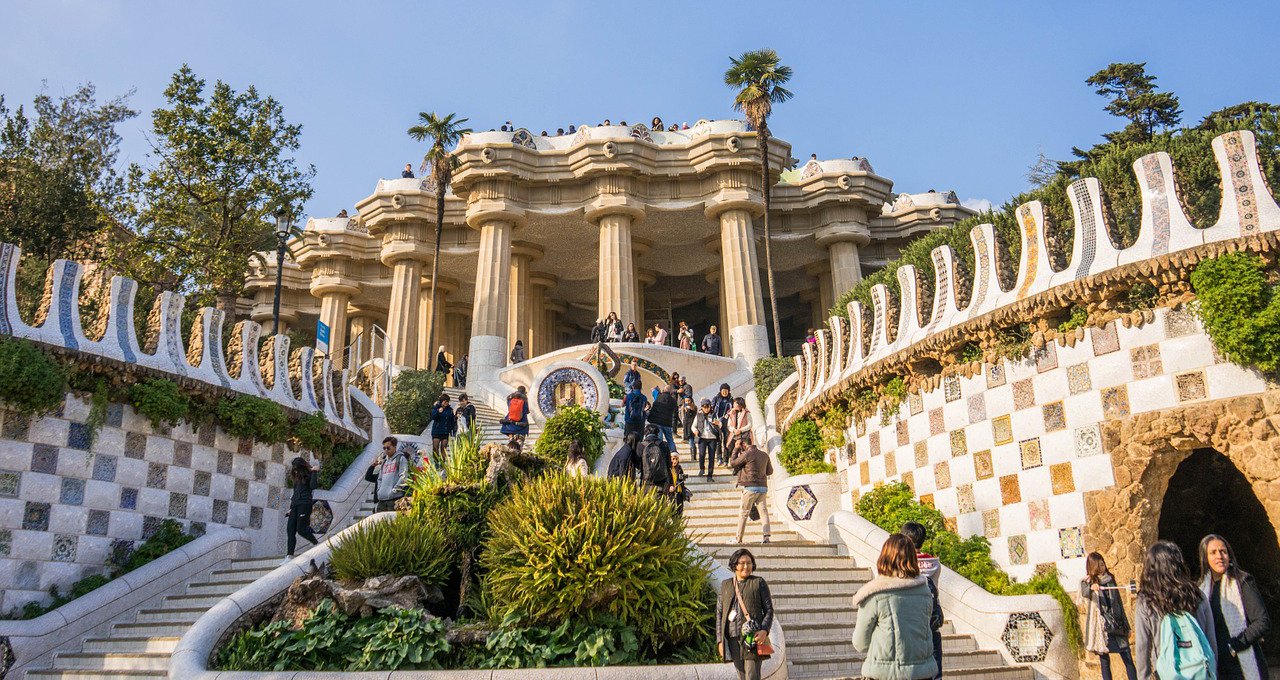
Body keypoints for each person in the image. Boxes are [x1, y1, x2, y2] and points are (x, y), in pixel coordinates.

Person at [852, 534, 939, 680]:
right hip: (922, 673)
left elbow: (860, 643)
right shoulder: (924, 591)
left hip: (885, 674)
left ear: (884, 557)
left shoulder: (875, 594)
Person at [1135, 540, 1218, 680]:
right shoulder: (1197, 595)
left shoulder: (1146, 601)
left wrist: (1144, 677)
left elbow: (1142, 648)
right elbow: (1210, 640)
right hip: (1200, 672)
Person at [1198, 534, 1270, 680]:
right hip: (1216, 667)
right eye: (1213, 552)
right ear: (1205, 558)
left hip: (1242, 666)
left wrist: (1235, 645)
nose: (1219, 556)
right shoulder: (1201, 589)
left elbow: (1262, 622)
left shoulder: (1242, 582)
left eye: (1223, 551)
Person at [716, 548, 774, 680]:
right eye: (742, 563)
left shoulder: (758, 582)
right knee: (741, 676)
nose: (746, 566)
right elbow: (719, 614)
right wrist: (720, 640)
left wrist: (764, 630)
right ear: (734, 565)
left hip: (752, 637)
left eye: (749, 563)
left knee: (751, 676)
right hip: (732, 638)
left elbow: (769, 610)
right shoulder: (725, 585)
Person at [1082, 552, 1137, 680]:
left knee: (1127, 655)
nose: (1102, 568)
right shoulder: (1087, 582)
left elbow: (1119, 604)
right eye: (1099, 566)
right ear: (1092, 567)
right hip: (1102, 627)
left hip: (1117, 623)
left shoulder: (1110, 579)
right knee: (1105, 661)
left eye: (1103, 565)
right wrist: (1092, 588)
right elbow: (1084, 592)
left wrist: (1127, 626)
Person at [901, 522, 944, 680]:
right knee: (936, 673)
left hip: (911, 625)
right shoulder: (935, 564)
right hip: (931, 622)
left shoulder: (903, 564)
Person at [729, 431, 771, 544]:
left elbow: (733, 463)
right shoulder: (764, 455)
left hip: (750, 487)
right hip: (762, 487)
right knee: (763, 512)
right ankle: (766, 537)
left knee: (744, 513)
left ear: (743, 444)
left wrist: (735, 449)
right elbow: (770, 471)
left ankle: (738, 538)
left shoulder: (746, 454)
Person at [283, 456, 319, 562]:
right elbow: (295, 493)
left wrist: (314, 472)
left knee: (301, 529)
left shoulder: (309, 474)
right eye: (294, 468)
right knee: (290, 530)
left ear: (301, 467)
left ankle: (317, 544)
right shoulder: (296, 478)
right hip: (295, 506)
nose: (295, 470)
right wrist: (290, 508)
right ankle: (289, 556)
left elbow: (313, 486)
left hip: (305, 504)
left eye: (297, 468)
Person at [365, 436, 411, 512]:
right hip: (381, 499)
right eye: (384, 448)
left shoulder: (401, 458)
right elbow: (379, 478)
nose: (386, 450)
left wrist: (395, 490)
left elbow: (403, 476)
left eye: (388, 448)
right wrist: (379, 491)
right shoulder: (384, 461)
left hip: (394, 499)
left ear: (394, 447)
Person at [638, 424, 673, 492]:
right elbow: (669, 464)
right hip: (662, 480)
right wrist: (670, 482)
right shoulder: (664, 445)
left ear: (645, 433)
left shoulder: (641, 445)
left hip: (646, 480)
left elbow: (638, 464)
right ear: (657, 433)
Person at [694, 399, 722, 481]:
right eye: (704, 407)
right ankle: (702, 468)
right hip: (702, 438)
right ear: (702, 407)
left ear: (710, 407)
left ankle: (710, 475)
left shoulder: (714, 414)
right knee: (701, 454)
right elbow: (693, 426)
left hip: (712, 438)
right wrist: (695, 431)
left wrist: (718, 423)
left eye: (707, 407)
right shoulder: (698, 415)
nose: (706, 409)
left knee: (711, 457)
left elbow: (720, 425)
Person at [648, 384, 680, 453]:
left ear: (663, 390)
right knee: (670, 440)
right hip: (667, 423)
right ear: (671, 392)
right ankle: (673, 453)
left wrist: (658, 390)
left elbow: (652, 389)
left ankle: (659, 454)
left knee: (659, 439)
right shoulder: (673, 401)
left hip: (657, 422)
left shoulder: (658, 395)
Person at [500, 387, 530, 451]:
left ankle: (511, 451)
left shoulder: (510, 399)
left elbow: (508, 401)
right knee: (519, 446)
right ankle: (518, 454)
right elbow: (527, 411)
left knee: (511, 447)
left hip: (510, 426)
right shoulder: (524, 401)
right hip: (522, 426)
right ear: (524, 392)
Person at [429, 394, 457, 463]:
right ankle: (436, 463)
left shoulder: (450, 410)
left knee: (443, 449)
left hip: (445, 432)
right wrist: (438, 412)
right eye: (445, 401)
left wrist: (453, 430)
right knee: (435, 448)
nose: (446, 403)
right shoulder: (436, 408)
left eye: (447, 401)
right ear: (442, 401)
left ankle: (443, 464)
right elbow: (433, 417)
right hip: (437, 431)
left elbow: (452, 421)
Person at [712, 383, 734, 465]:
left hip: (727, 422)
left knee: (726, 441)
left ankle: (726, 459)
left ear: (729, 391)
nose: (724, 392)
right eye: (723, 390)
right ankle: (719, 458)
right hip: (717, 421)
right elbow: (712, 408)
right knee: (718, 440)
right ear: (720, 391)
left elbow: (734, 409)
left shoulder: (731, 399)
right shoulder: (716, 398)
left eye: (726, 391)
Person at [725, 397, 752, 461]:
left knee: (745, 452)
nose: (734, 404)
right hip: (734, 435)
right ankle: (733, 464)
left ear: (740, 404)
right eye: (734, 403)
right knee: (731, 450)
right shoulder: (731, 413)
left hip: (744, 436)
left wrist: (741, 430)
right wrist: (734, 430)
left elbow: (750, 424)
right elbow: (729, 425)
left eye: (735, 403)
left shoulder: (746, 413)